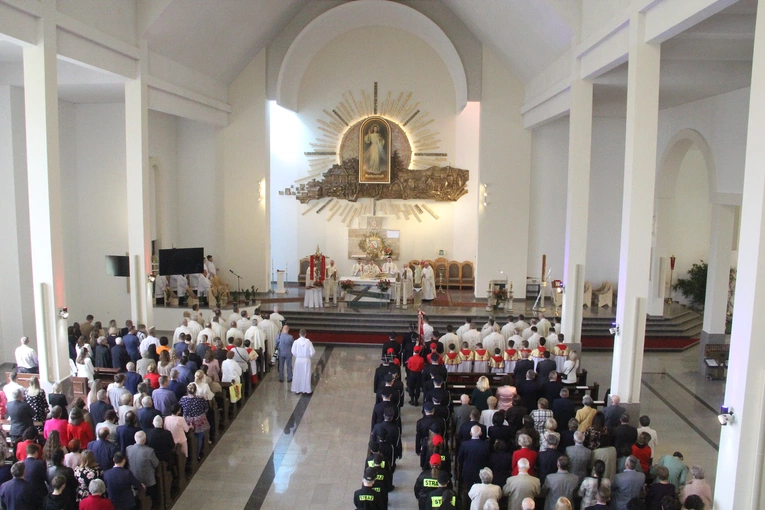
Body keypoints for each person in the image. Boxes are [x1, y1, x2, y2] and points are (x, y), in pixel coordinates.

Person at [179, 383, 210, 460]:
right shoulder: (200, 399)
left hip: (187, 421)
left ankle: (190, 455)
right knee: (199, 437)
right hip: (199, 420)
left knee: (188, 437)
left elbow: (180, 408)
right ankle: (197, 454)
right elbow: (206, 408)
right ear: (196, 390)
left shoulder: (183, 399)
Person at [126, 431, 159, 503]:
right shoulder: (149, 451)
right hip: (148, 481)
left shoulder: (128, 449)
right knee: (151, 498)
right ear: (144, 440)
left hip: (134, 479)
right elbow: (156, 464)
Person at [291, 329, 315, 394]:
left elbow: (293, 351)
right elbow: (312, 352)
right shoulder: (308, 342)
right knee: (306, 375)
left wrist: (297, 356)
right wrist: (308, 356)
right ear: (305, 334)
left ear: (299, 334)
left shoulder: (296, 342)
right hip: (306, 360)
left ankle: (297, 390)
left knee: (298, 374)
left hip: (298, 360)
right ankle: (307, 390)